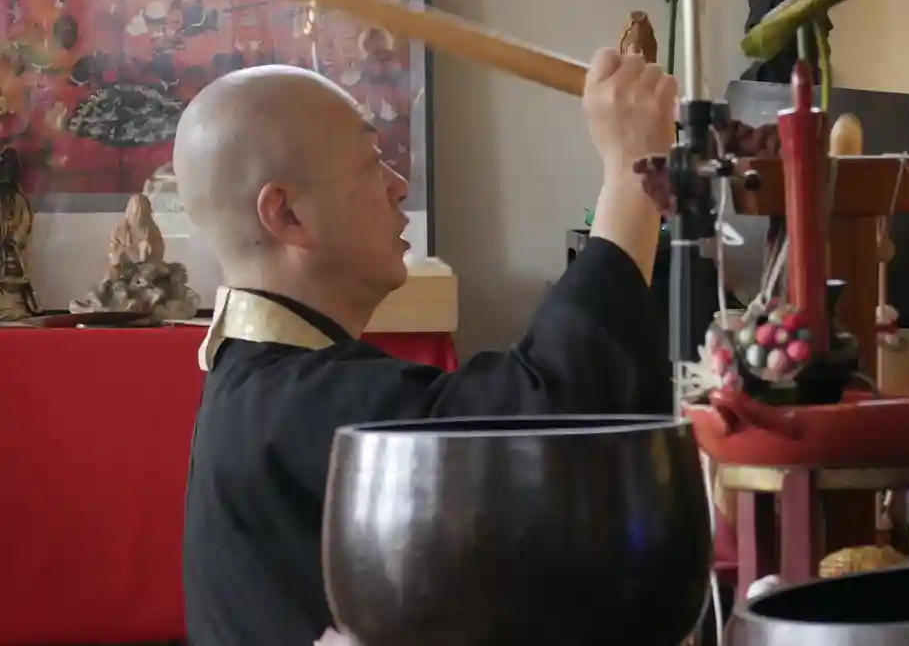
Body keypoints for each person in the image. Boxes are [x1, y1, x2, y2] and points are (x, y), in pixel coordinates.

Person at [179, 48, 676, 646]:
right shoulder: (293, 404)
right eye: (371, 162)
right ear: (287, 213)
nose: (398, 186)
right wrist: (633, 175)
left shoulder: (263, 385)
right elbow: (553, 426)